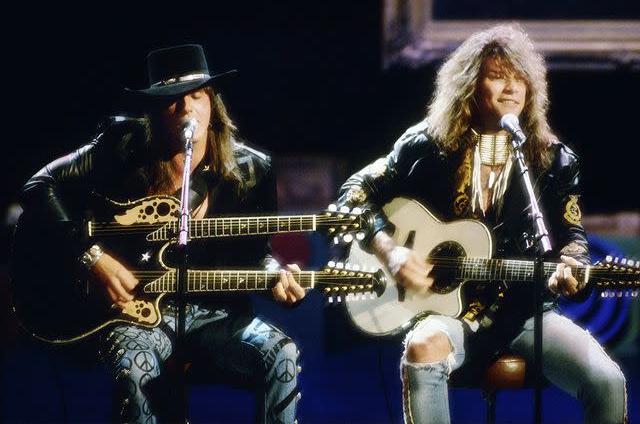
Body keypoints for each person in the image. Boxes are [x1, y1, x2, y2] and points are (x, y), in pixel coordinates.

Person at [335, 24, 627, 423]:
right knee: (422, 348)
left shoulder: (554, 160)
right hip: (445, 315)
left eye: (519, 77)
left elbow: (571, 234)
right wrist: (391, 249)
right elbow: (353, 194)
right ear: (470, 86)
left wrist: (573, 264)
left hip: (526, 315)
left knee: (607, 380)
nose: (511, 87)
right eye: (496, 76)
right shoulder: (427, 146)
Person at [18, 44, 305, 424]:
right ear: (155, 111)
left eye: (197, 96)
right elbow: (39, 185)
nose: (187, 109)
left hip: (216, 316)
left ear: (212, 103)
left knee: (280, 352)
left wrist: (275, 275)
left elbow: (258, 253)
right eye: (172, 101)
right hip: (134, 312)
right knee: (135, 370)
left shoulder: (253, 170)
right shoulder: (121, 148)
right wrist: (92, 257)